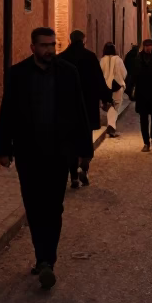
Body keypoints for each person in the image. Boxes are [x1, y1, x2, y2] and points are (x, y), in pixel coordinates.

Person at [0, 27, 92, 289]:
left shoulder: (68, 73)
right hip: (28, 153)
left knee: (53, 207)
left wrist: (85, 151)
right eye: (44, 45)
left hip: (58, 152)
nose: (49, 50)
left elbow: (80, 111)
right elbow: (7, 112)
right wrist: (3, 149)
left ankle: (46, 259)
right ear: (33, 47)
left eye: (52, 45)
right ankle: (43, 258)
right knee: (33, 207)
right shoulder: (18, 74)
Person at [58, 30, 114, 188]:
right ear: (84, 40)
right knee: (86, 140)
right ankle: (84, 168)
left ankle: (74, 177)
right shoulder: (90, 57)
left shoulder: (61, 58)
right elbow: (99, 80)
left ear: (69, 40)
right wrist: (106, 99)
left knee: (70, 142)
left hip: (67, 107)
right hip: (87, 106)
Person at [99, 41, 127, 138]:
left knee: (110, 105)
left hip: (105, 87)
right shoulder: (118, 60)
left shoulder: (102, 60)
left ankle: (111, 126)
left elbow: (99, 73)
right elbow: (124, 73)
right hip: (117, 86)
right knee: (115, 106)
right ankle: (111, 126)